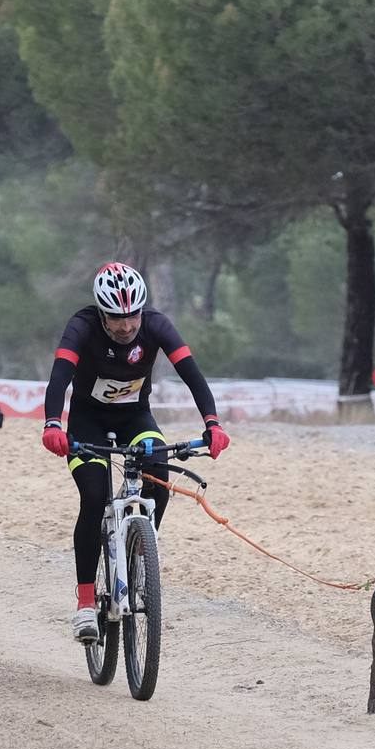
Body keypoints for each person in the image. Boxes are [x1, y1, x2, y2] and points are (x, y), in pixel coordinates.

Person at [40, 262, 231, 643]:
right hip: (87, 421)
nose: (126, 326)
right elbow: (59, 377)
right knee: (94, 497)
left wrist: (212, 422)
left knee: (160, 479)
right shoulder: (82, 326)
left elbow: (192, 375)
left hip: (135, 417)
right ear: (101, 311)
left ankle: (140, 553)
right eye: (116, 318)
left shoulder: (157, 325)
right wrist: (52, 423)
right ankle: (84, 603)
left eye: (132, 316)